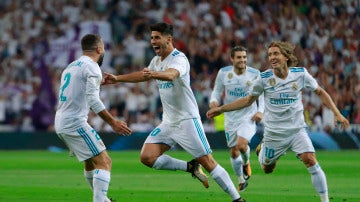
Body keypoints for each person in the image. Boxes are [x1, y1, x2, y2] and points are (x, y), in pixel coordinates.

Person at [102, 22, 245, 202]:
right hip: (169, 122)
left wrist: (152, 74)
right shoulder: (156, 61)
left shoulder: (179, 58)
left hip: (187, 120)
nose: (153, 41)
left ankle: (237, 199)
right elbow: (142, 74)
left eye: (157, 37)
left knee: (208, 162)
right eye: (152, 37)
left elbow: (171, 74)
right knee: (147, 157)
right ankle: (190, 167)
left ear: (168, 39)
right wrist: (117, 79)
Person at [206, 41, 349, 202]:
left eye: (276, 54)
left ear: (286, 56)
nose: (272, 57)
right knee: (267, 168)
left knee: (310, 159)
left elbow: (320, 92)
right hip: (274, 134)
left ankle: (325, 200)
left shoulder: (301, 74)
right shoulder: (264, 78)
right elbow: (248, 100)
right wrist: (221, 109)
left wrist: (336, 113)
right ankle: (262, 150)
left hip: (297, 130)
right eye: (270, 55)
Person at [54, 34, 132, 202]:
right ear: (98, 49)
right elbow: (93, 100)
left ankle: (102, 199)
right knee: (105, 162)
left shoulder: (71, 66)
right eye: (103, 47)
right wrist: (113, 122)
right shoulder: (93, 67)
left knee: (90, 162)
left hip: (61, 121)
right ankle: (100, 200)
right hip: (74, 122)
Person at [209, 46, 264, 191]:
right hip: (230, 117)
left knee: (241, 145)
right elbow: (217, 91)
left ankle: (246, 163)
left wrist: (260, 111)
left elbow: (262, 94)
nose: (243, 60)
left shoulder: (254, 74)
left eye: (244, 57)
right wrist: (214, 102)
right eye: (239, 57)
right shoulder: (224, 73)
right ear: (232, 59)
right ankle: (241, 179)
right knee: (234, 151)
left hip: (248, 116)